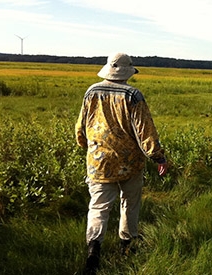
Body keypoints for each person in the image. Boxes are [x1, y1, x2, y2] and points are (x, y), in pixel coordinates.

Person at [75, 52, 168, 275]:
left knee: (98, 208)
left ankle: (93, 253)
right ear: (127, 72)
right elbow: (145, 132)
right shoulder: (133, 95)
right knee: (130, 203)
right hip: (130, 163)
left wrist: (86, 147)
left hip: (98, 162)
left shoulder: (92, 91)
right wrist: (158, 157)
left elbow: (81, 127)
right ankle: (127, 246)